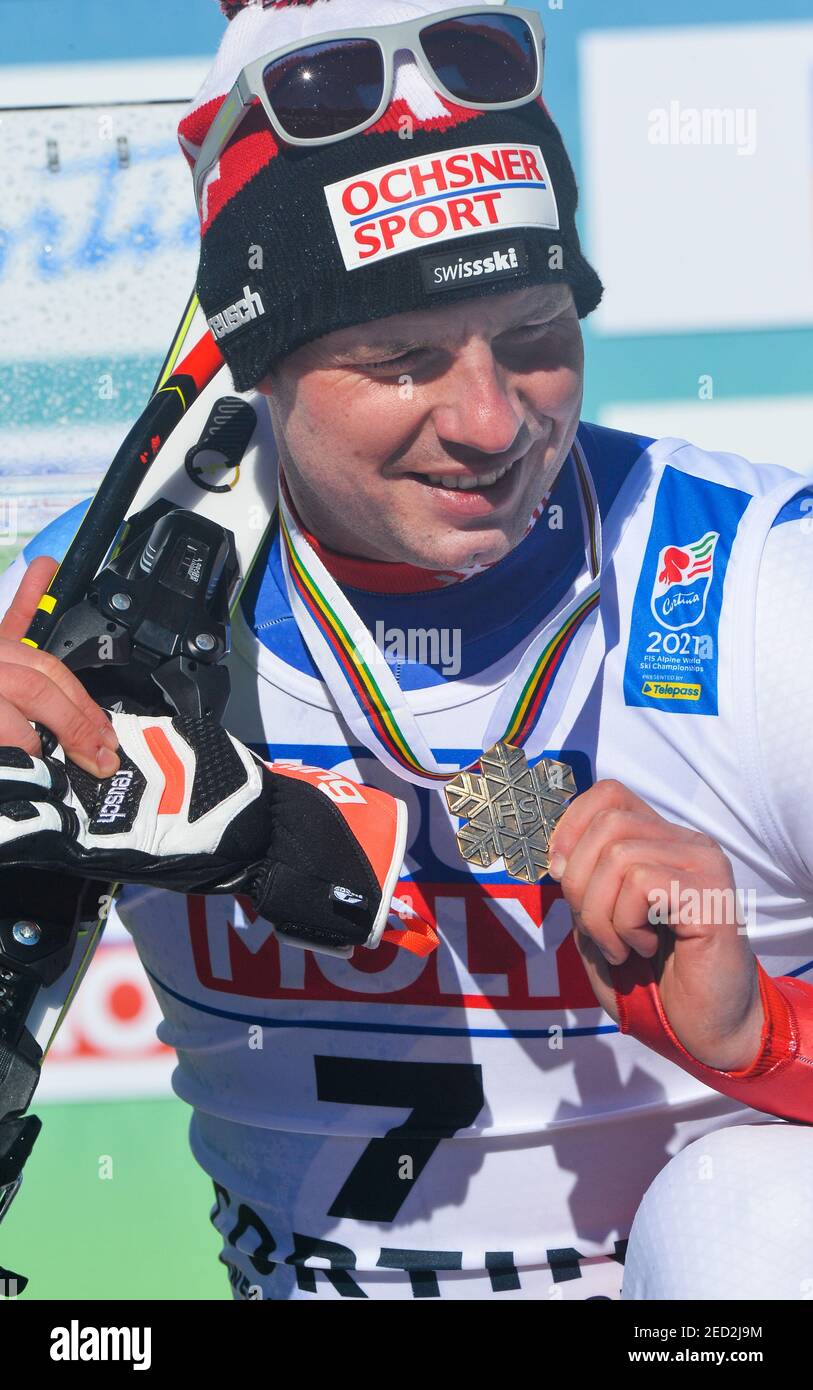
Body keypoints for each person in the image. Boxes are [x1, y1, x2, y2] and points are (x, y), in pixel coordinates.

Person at [1, 0, 812, 1301]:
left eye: (540, 338)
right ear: (256, 366)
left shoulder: (765, 589)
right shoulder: (99, 615)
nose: (491, 421)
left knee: (755, 1223)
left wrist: (762, 1033)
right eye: (401, 358)